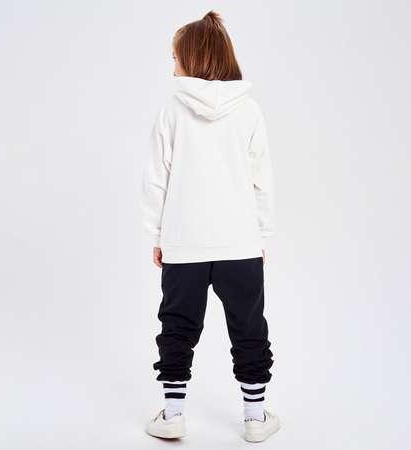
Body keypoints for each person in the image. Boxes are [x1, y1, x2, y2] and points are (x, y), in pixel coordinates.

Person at [141, 10, 280, 443]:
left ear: (192, 58)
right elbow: (262, 181)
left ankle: (173, 414)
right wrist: (260, 235)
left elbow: (156, 179)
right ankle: (255, 419)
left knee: (177, 325)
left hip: (184, 244)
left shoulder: (172, 111)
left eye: (175, 57)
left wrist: (158, 235)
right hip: (239, 244)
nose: (173, 67)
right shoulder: (249, 111)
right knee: (249, 327)